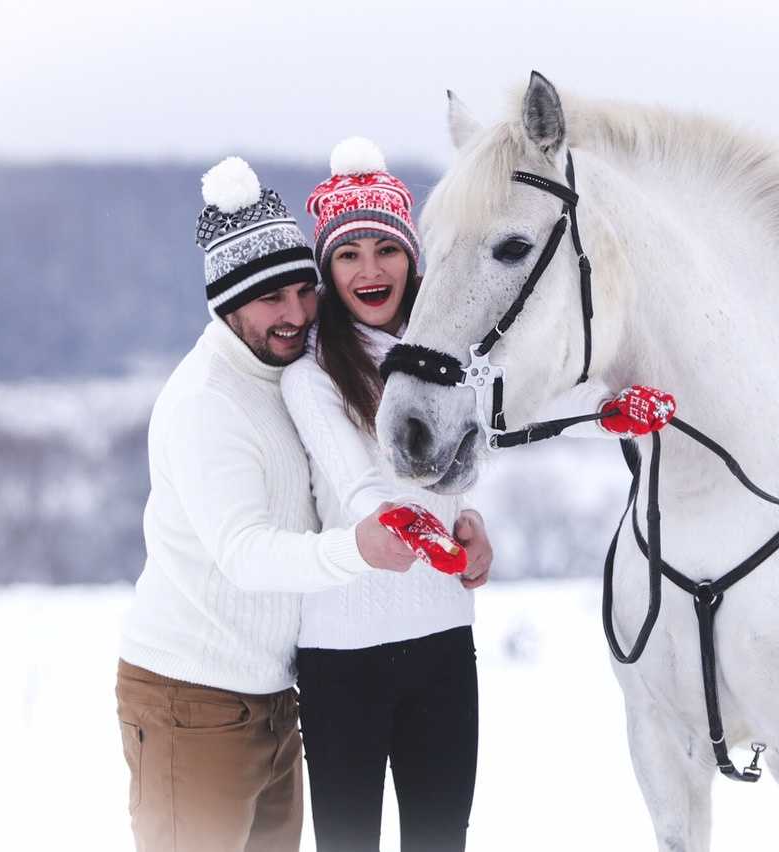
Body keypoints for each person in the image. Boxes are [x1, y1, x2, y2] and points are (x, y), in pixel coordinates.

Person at [280, 137, 676, 852]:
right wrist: (394, 522)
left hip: (441, 646)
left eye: (385, 249)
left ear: (413, 257)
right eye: (348, 254)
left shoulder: (449, 360)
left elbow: (513, 414)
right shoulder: (310, 376)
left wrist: (606, 414)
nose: (370, 270)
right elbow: (357, 479)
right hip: (342, 663)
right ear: (328, 269)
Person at [114, 156, 464, 852]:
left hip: (273, 698)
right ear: (227, 303)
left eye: (304, 292)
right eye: (271, 299)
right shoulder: (208, 402)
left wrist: (460, 518)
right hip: (193, 697)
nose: (297, 314)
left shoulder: (284, 374)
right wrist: (356, 549)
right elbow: (245, 552)